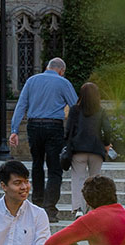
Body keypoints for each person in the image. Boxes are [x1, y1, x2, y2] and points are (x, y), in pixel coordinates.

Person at [12, 58, 79, 220]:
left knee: (37, 165)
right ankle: (49, 210)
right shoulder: (63, 83)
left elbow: (21, 105)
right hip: (54, 127)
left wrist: (14, 130)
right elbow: (76, 107)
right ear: (61, 70)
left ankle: (36, 204)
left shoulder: (31, 81)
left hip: (33, 126)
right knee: (55, 169)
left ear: (47, 67)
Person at [65, 82, 111, 215]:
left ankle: (79, 209)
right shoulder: (101, 111)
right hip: (96, 149)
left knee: (78, 179)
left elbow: (68, 130)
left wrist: (68, 144)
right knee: (95, 181)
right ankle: (94, 208)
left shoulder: (74, 110)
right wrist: (106, 144)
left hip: (78, 150)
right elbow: (108, 129)